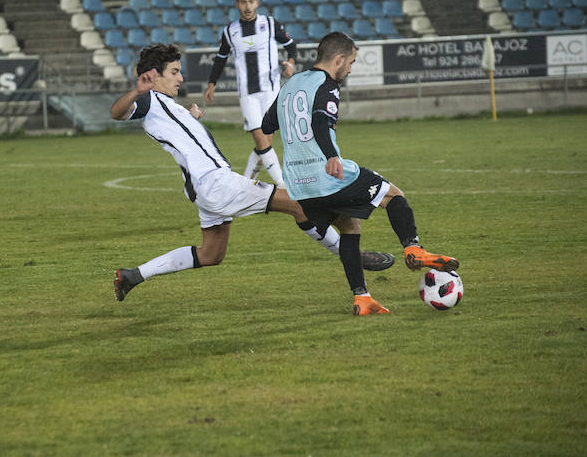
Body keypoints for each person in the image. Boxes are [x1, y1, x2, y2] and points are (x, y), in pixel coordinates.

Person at [110, 43, 393, 303]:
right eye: (174, 72)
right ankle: (353, 257)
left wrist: (190, 117)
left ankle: (133, 275)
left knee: (211, 254)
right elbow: (117, 112)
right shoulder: (148, 101)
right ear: (152, 76)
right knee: (298, 204)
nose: (180, 78)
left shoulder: (170, 108)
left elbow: (178, 133)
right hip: (216, 183)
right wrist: (137, 91)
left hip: (206, 188)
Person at [261, 31, 460, 315]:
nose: (350, 69)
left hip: (299, 187)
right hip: (327, 175)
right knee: (393, 195)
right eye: (351, 63)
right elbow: (319, 121)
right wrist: (331, 155)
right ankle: (414, 249)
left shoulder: (292, 83)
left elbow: (266, 125)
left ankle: (362, 298)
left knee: (350, 226)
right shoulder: (327, 84)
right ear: (339, 59)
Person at [204, 0, 297, 188]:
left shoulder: (270, 24)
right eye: (243, 2)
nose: (247, 6)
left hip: (271, 90)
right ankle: (282, 184)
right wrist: (212, 83)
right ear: (237, 4)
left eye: (251, 1)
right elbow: (220, 59)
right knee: (261, 140)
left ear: (257, 2)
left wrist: (290, 63)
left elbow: (291, 45)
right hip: (247, 93)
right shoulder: (230, 31)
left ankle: (245, 182)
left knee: (265, 143)